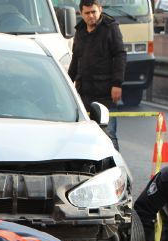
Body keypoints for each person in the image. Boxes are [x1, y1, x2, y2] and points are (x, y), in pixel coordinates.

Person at [67, 0, 126, 150]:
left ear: (100, 9)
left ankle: (116, 168)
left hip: (106, 92)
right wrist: (68, 84)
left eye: (94, 12)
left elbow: (120, 55)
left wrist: (117, 84)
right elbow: (76, 59)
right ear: (81, 13)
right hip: (85, 92)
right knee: (86, 136)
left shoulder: (110, 28)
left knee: (108, 134)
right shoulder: (80, 30)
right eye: (87, 13)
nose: (91, 16)